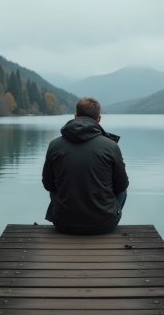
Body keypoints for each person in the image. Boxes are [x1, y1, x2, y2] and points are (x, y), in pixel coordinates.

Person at [42, 97, 129, 234]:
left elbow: (48, 185)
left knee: (55, 188)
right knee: (123, 191)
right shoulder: (111, 146)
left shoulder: (54, 145)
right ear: (99, 119)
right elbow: (122, 186)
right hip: (104, 225)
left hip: (63, 224)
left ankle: (65, 214)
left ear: (76, 116)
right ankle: (106, 215)